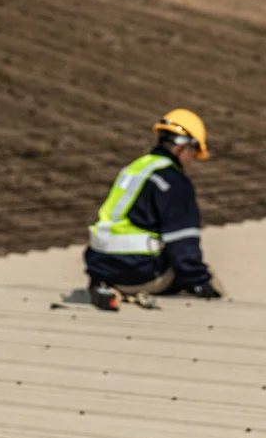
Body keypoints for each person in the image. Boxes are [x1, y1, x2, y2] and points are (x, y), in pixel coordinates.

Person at [85, 109, 224, 310]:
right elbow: (183, 245)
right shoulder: (174, 182)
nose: (192, 160)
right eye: (193, 153)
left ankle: (107, 288)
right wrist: (202, 283)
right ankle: (134, 288)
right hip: (141, 272)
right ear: (182, 148)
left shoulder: (134, 169)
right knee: (198, 279)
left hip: (100, 266)